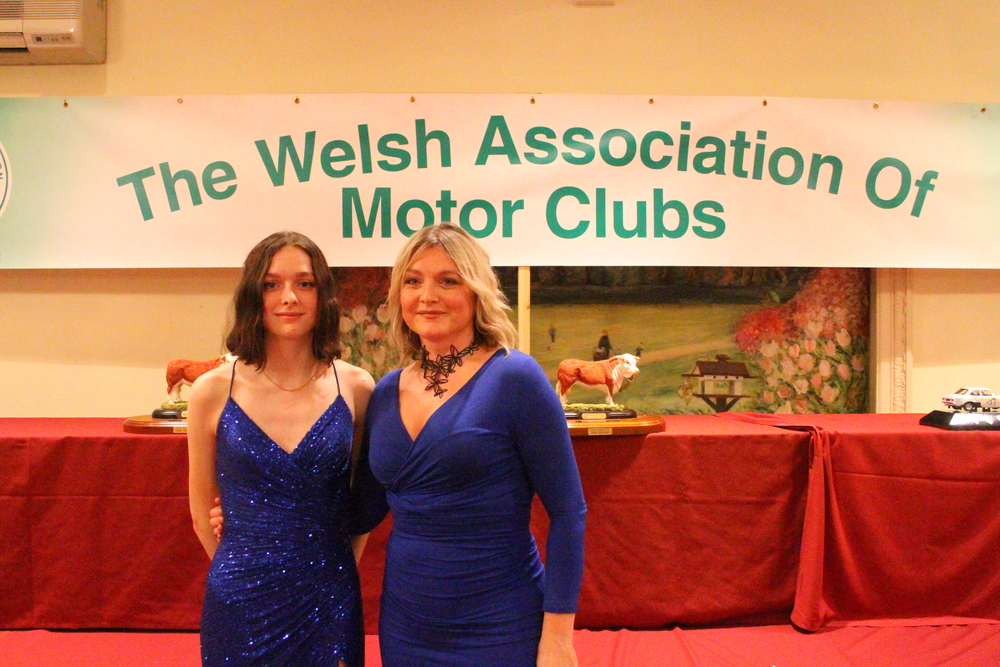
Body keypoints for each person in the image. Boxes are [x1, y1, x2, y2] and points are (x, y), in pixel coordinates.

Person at [366, 223, 587, 666]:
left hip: (500, 624)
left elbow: (568, 514)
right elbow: (360, 511)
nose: (427, 295)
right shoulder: (385, 391)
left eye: (448, 281)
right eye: (413, 280)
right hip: (406, 626)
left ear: (476, 292)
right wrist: (251, 510)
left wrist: (559, 639)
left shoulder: (515, 377)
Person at [187, 231, 381, 667]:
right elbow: (201, 515)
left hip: (329, 596)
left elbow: (359, 509)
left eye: (304, 283)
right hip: (240, 600)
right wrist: (242, 569)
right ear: (252, 295)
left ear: (323, 294)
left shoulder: (356, 387)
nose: (289, 297)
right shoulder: (211, 391)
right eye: (271, 284)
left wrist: (335, 574)